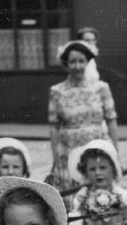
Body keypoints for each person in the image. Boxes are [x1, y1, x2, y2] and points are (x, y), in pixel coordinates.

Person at [48, 40, 120, 202]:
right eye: (73, 61)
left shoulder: (101, 88)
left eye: (81, 61)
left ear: (88, 62)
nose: (77, 66)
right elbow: (53, 126)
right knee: (72, 197)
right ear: (66, 64)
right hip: (68, 152)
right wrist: (55, 158)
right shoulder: (57, 91)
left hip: (97, 151)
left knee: (100, 197)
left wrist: (115, 153)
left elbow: (111, 121)